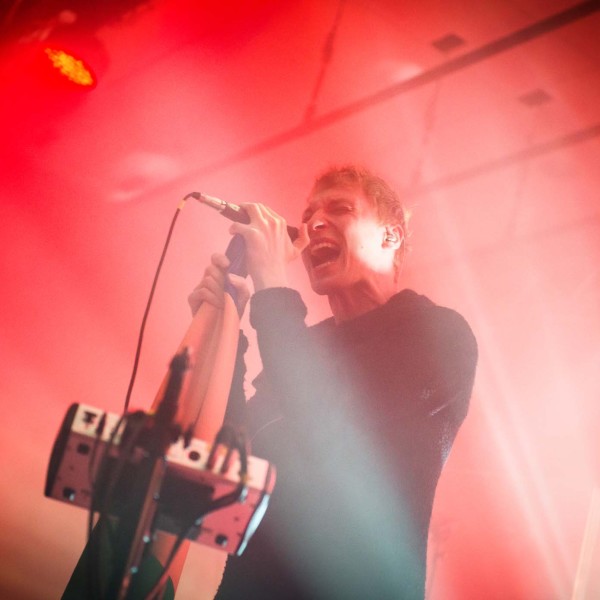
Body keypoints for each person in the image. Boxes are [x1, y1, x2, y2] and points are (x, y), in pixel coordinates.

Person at [190, 165, 478, 600]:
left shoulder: (437, 334)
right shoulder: (304, 348)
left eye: (339, 209)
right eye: (308, 216)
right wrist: (225, 335)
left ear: (391, 236)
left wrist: (272, 287)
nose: (314, 224)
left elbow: (336, 438)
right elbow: (237, 454)